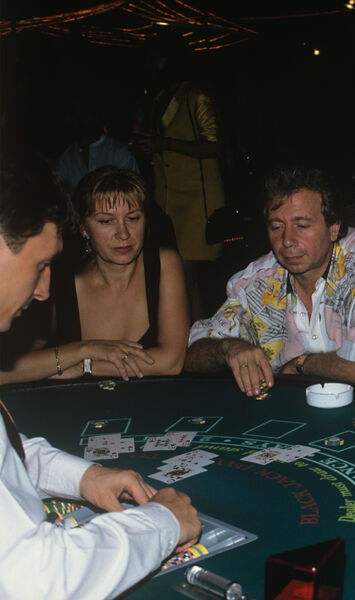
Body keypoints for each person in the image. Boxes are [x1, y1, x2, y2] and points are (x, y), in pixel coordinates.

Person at [0, 160, 200, 598]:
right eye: (40, 265)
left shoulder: (161, 263)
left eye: (134, 218)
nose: (43, 290)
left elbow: (9, 457)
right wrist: (161, 522)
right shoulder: (66, 283)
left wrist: (85, 476)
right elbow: (37, 580)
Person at [186, 165, 355, 396]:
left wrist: (302, 364)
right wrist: (227, 348)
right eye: (276, 227)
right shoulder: (255, 281)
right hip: (287, 405)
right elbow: (191, 357)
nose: (287, 240)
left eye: (302, 226)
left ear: (333, 228)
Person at [0, 167, 189, 384]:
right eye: (106, 221)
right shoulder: (59, 282)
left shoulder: (164, 263)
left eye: (133, 218)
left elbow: (171, 362)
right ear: (83, 229)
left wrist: (85, 366)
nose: (124, 233)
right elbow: (8, 369)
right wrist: (84, 350)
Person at [134, 39, 227, 318]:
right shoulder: (160, 96)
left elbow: (215, 145)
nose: (151, 65)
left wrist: (165, 144)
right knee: (188, 281)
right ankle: (196, 337)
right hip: (168, 199)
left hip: (196, 201)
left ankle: (178, 339)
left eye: (156, 59)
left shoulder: (196, 96)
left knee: (183, 278)